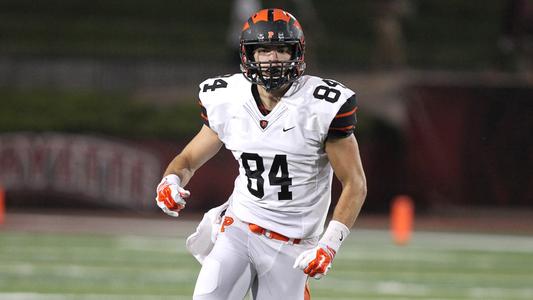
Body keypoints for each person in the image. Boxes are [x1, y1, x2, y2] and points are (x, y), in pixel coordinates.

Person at [156, 8, 367, 300]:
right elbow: (188, 159)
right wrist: (171, 180)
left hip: (293, 244)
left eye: (282, 49)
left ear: (298, 52)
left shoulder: (321, 106)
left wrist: (330, 244)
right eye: (263, 49)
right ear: (248, 55)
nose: (273, 58)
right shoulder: (228, 98)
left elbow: (355, 183)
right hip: (238, 229)